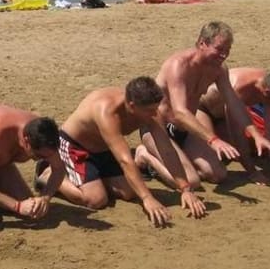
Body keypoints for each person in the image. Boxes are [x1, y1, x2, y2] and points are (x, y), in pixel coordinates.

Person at [40, 77, 206, 225]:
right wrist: (148, 199)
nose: (155, 114)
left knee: (129, 192)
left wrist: (185, 188)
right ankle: (50, 175)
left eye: (155, 109)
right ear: (132, 106)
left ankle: (93, 178)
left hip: (104, 149)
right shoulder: (107, 111)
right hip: (75, 147)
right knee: (96, 200)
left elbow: (167, 150)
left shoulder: (149, 109)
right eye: (150, 111)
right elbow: (125, 160)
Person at [135, 21, 270, 187]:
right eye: (219, 49)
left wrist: (255, 134)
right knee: (192, 181)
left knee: (218, 174)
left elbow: (234, 104)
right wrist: (213, 140)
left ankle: (179, 159)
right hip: (159, 128)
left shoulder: (218, 69)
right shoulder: (179, 65)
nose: (224, 55)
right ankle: (144, 154)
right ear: (202, 43)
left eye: (228, 50)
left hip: (186, 130)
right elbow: (180, 112)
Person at [197, 68, 270, 182]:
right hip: (203, 109)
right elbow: (237, 133)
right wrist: (252, 172)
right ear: (267, 93)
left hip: (221, 116)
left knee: (232, 153)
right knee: (216, 163)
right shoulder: (241, 88)